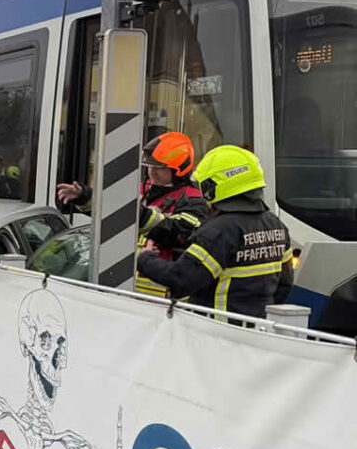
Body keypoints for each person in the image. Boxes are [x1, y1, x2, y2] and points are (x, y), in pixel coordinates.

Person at [136, 145, 292, 320]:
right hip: (256, 330)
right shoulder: (277, 225)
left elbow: (181, 280)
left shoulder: (219, 231)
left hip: (216, 333)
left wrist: (144, 259)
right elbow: (284, 285)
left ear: (215, 186)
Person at [58, 132, 210, 297]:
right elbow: (111, 211)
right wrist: (84, 196)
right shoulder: (139, 189)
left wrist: (137, 215)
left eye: (159, 167)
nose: (152, 172)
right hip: (126, 290)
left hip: (166, 300)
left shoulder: (194, 200)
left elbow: (179, 232)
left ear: (179, 169)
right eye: (150, 166)